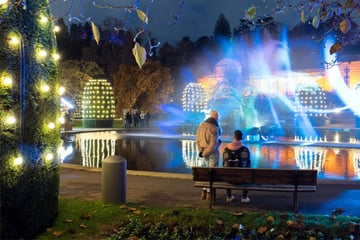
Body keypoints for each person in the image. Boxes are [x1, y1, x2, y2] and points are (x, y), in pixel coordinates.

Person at [196, 110, 222, 201]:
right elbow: (213, 144)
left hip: (204, 152)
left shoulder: (201, 126)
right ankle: (210, 194)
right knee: (212, 173)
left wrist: (202, 152)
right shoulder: (214, 128)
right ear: (216, 118)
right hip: (212, 153)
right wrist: (208, 151)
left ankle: (204, 190)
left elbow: (198, 140)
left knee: (207, 171)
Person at [223, 130, 251, 204]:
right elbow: (248, 164)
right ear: (241, 138)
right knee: (248, 173)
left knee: (227, 171)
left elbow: (224, 163)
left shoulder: (226, 149)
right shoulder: (245, 150)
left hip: (229, 179)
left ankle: (229, 196)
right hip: (241, 178)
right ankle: (244, 197)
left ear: (233, 137)